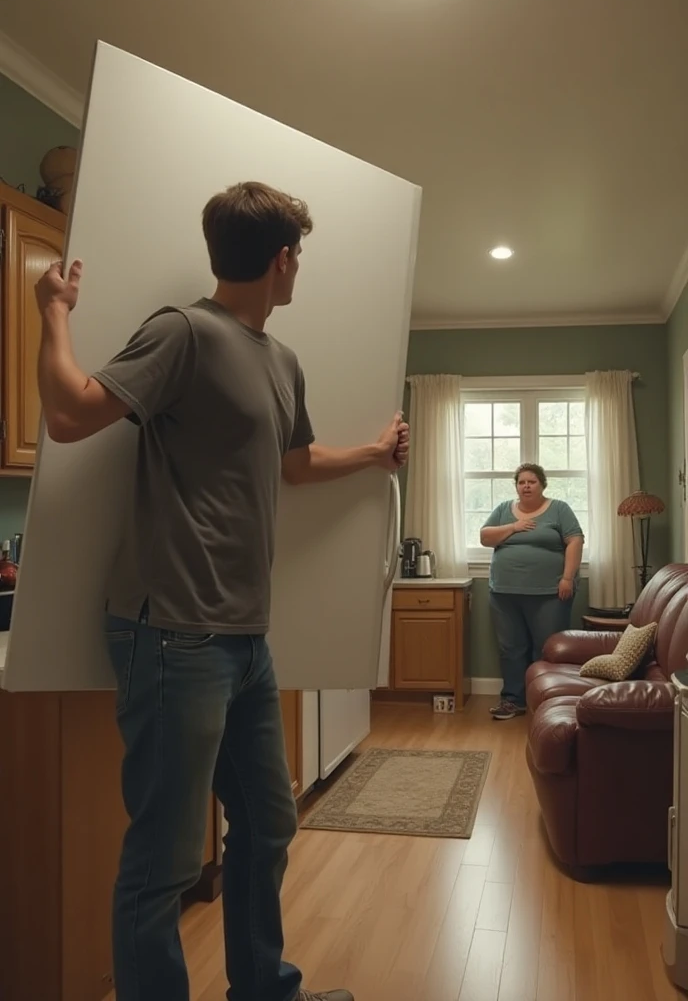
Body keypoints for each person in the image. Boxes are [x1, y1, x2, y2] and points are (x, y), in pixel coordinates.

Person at [34, 181, 410, 1001]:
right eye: (298, 255)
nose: (298, 267)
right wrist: (53, 311)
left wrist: (376, 454)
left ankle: (262, 989)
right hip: (170, 629)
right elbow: (67, 415)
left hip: (244, 636)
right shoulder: (183, 333)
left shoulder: (281, 359)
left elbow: (293, 464)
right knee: (164, 861)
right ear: (283, 260)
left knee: (269, 823)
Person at [480, 462, 584, 721]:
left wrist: (567, 578)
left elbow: (575, 540)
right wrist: (513, 527)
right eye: (521, 482)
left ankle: (548, 700)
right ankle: (513, 701)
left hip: (550, 592)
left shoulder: (559, 509)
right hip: (504, 592)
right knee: (511, 647)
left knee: (548, 648)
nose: (526, 486)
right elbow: (485, 536)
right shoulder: (504, 510)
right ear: (516, 486)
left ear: (542, 484)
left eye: (531, 481)